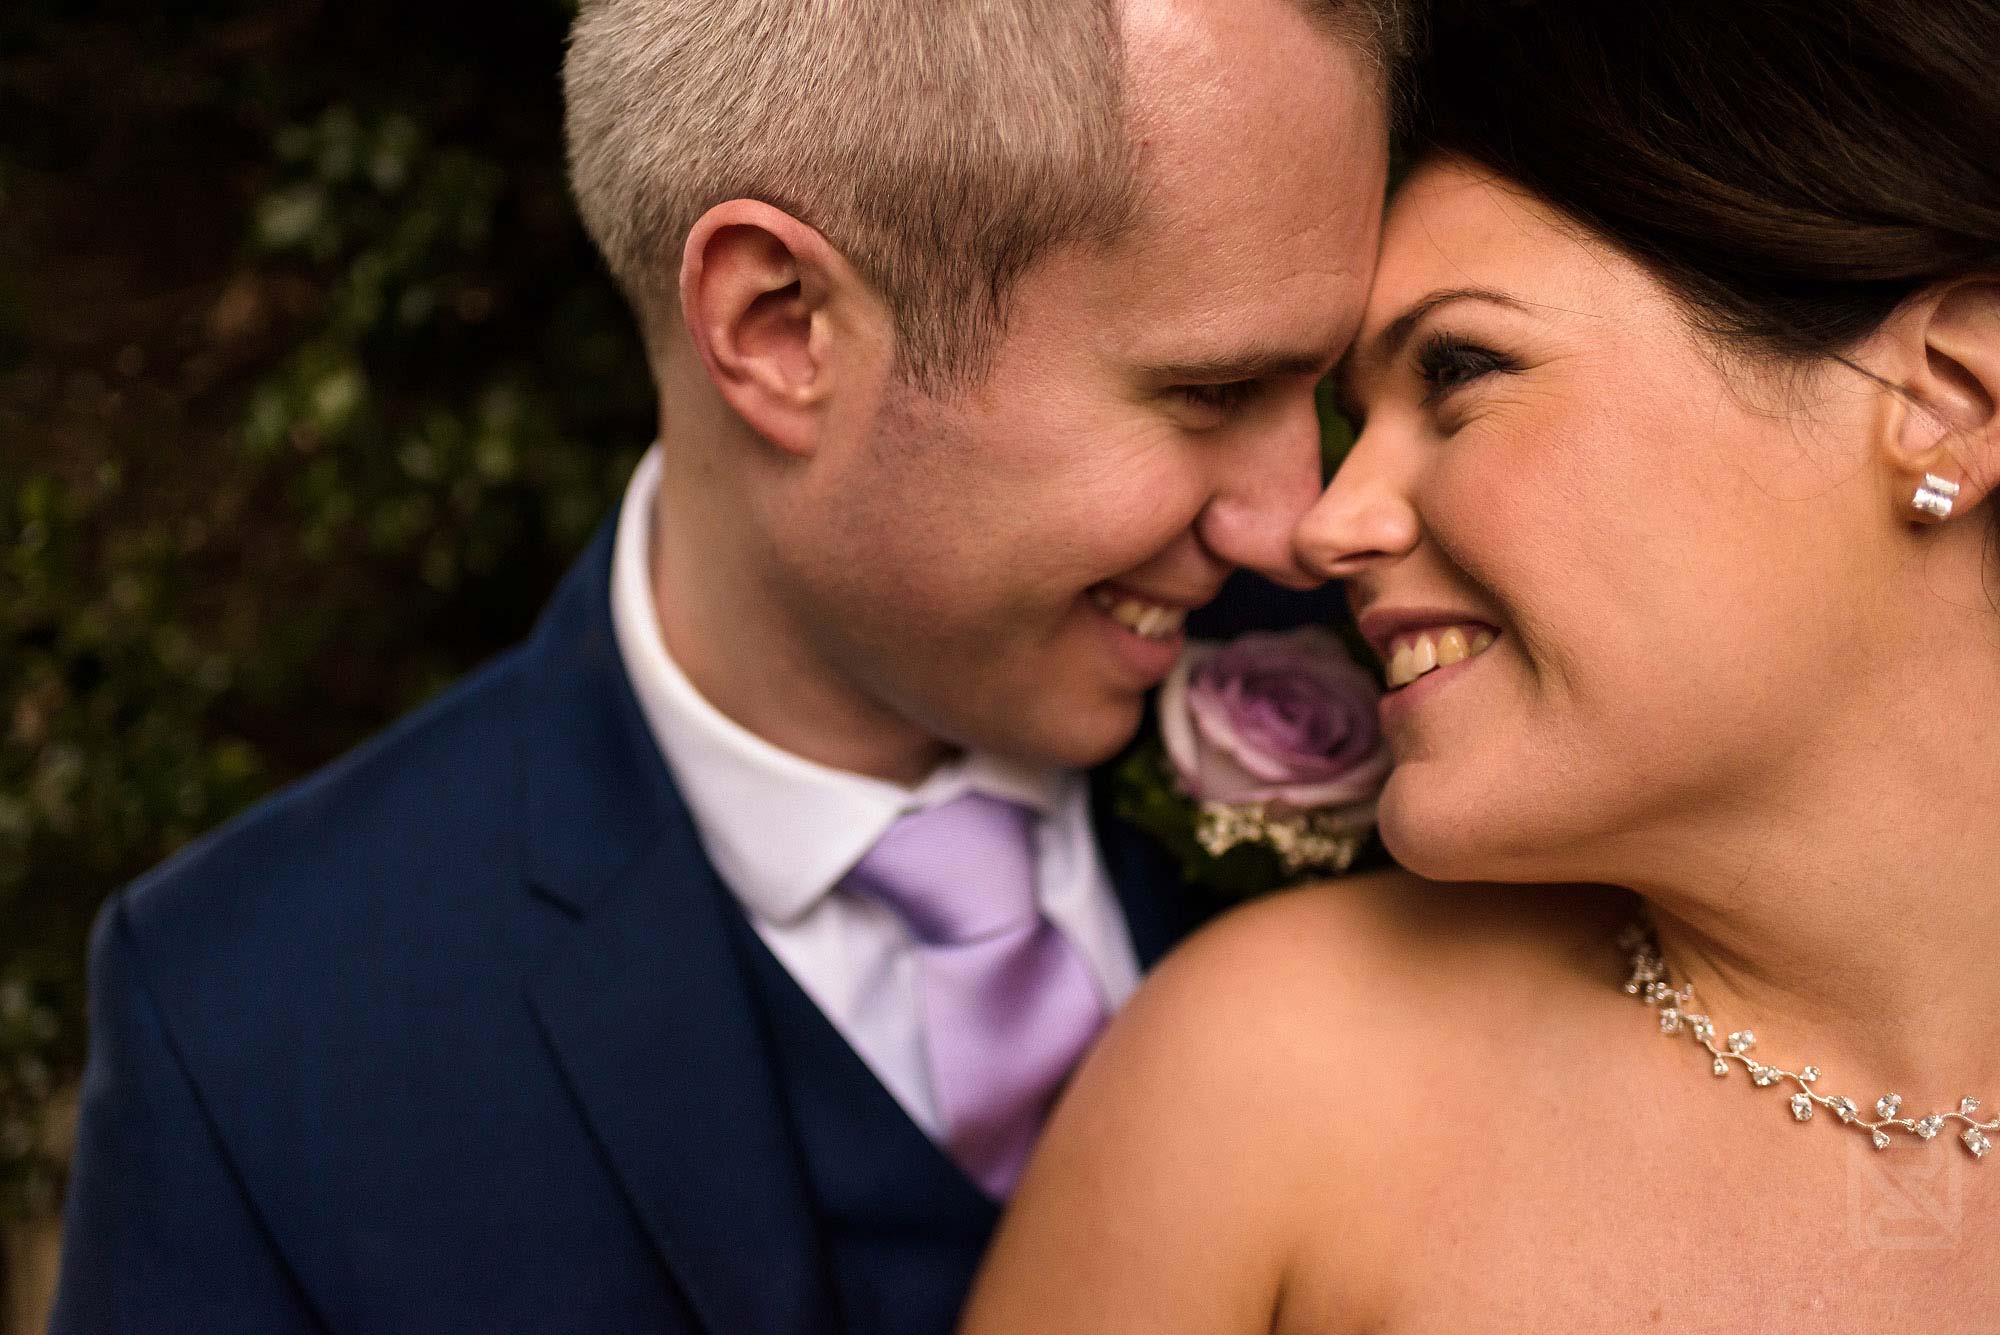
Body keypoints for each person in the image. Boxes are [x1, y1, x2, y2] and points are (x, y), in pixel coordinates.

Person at [50, 1, 1406, 1331]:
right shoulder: (248, 1033)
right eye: (1213, 395)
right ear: (780, 325)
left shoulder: (1430, 731)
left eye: (1323, 388)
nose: (1303, 524)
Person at [960, 0, 2000, 1329]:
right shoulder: (1276, 1085)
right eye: (1357, 421)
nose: (1328, 522)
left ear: (1943, 400)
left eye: (1461, 370)